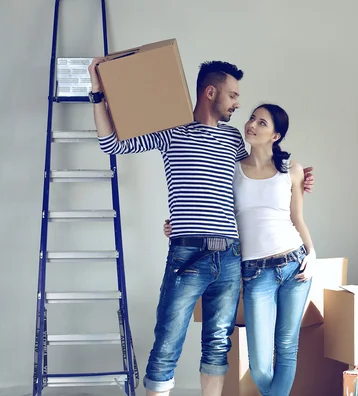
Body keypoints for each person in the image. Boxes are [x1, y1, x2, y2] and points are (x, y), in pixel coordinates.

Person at [87, 59, 314, 396]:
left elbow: (257, 176)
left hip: (232, 257)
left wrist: (296, 178)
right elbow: (112, 146)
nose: (238, 105)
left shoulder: (235, 139)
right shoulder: (171, 131)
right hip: (188, 253)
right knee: (167, 342)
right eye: (233, 95)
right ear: (211, 92)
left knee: (217, 347)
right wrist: (97, 92)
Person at [164, 103, 316, 396]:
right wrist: (181, 223)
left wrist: (312, 254)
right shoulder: (230, 169)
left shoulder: (291, 169)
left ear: (276, 135)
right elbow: (208, 205)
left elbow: (297, 218)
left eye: (262, 123)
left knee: (287, 347)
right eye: (252, 119)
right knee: (259, 364)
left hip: (295, 263)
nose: (252, 125)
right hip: (255, 271)